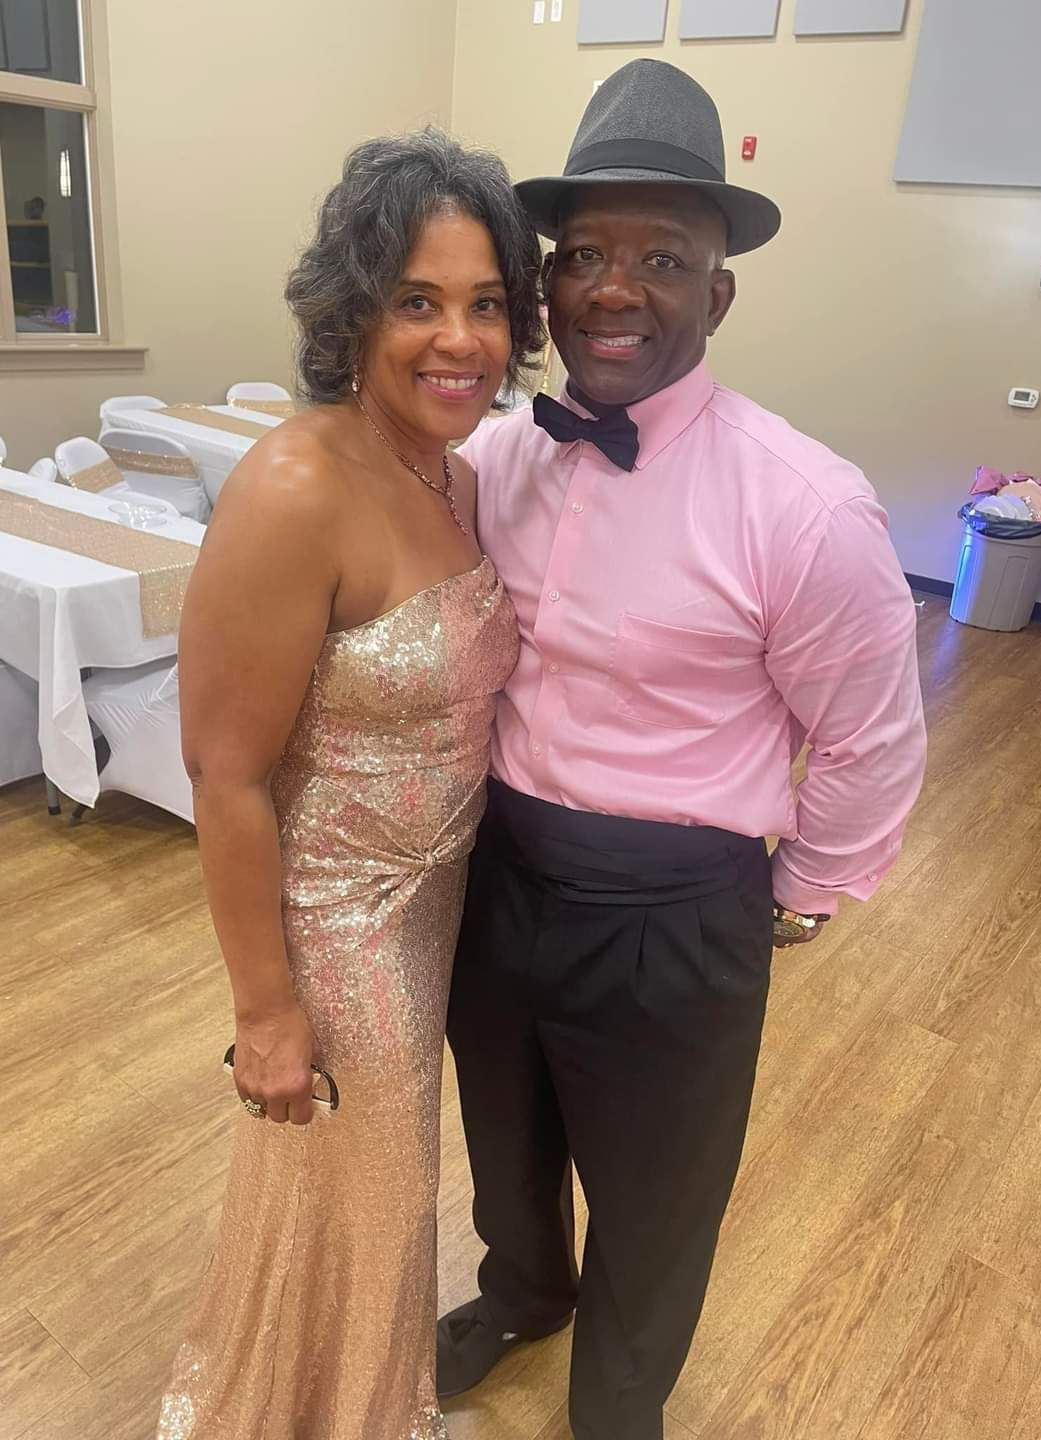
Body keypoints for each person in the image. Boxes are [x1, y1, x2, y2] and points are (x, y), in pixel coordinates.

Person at [438, 59, 927, 1440]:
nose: (612, 286)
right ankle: (524, 1293)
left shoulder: (807, 508)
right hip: (499, 864)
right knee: (507, 1135)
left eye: (663, 256)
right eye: (583, 253)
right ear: (544, 285)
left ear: (717, 295)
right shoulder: (502, 459)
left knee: (655, 1195)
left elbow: (872, 739)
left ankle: (619, 1411)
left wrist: (797, 889)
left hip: (673, 902)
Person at [157, 129, 543, 1440]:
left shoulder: (460, 473)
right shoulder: (293, 488)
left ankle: (355, 1403)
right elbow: (224, 772)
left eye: (488, 303)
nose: (461, 339)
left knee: (374, 1202)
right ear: (353, 307)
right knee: (366, 1198)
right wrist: (266, 1013)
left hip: (435, 908)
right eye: (418, 300)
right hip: (335, 937)